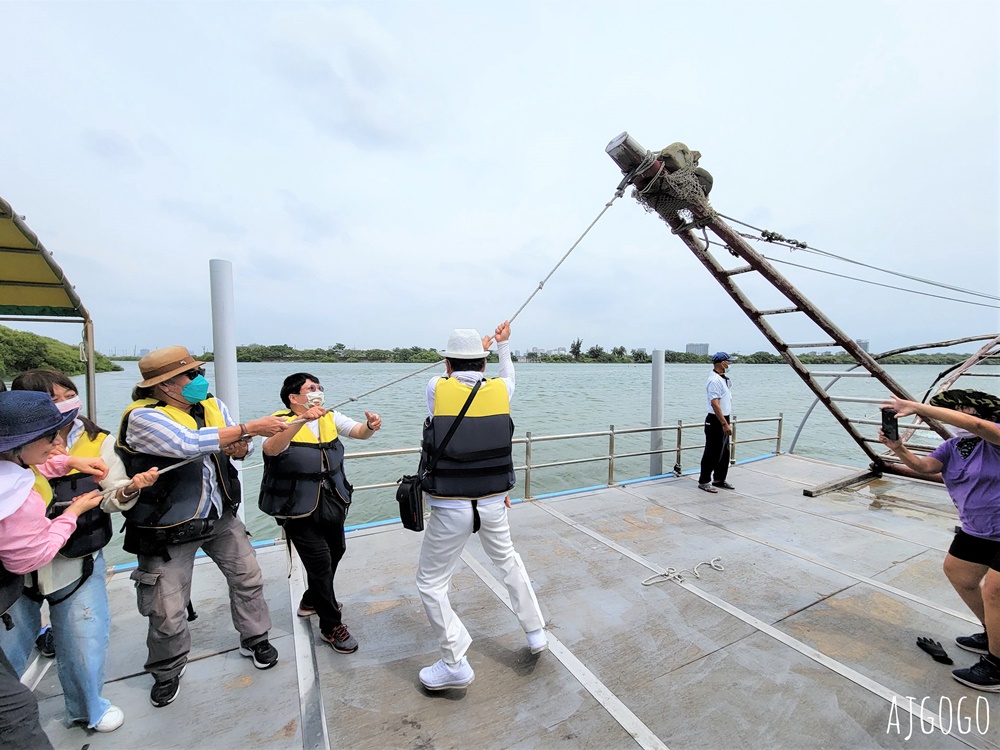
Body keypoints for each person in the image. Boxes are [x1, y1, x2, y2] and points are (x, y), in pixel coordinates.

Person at [114, 346, 289, 708]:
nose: (198, 380)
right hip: (166, 526)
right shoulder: (143, 418)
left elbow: (237, 447)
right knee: (165, 605)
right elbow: (186, 444)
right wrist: (252, 427)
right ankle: (167, 669)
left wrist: (242, 446)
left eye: (199, 372)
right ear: (164, 386)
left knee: (248, 578)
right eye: (190, 375)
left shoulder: (212, 405)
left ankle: (255, 638)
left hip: (220, 515)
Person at [1, 370, 158, 734]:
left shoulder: (95, 442)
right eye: (52, 401)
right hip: (18, 573)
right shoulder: (20, 470)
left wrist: (127, 489)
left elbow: (114, 494)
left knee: (84, 641)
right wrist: (71, 512)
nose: (66, 405)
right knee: (9, 647)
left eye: (68, 394)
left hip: (77, 562)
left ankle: (88, 707)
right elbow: (25, 554)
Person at [415, 322, 546, 691]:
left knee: (431, 582)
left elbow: (448, 387)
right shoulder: (501, 389)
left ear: (447, 364)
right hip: (493, 500)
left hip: (451, 504)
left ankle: (455, 660)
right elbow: (507, 375)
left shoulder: (434, 388)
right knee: (508, 562)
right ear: (484, 364)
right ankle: (535, 631)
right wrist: (502, 346)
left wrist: (484, 351)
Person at [0, 390, 106, 749]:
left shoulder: (11, 463)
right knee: (17, 713)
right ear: (21, 443)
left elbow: (34, 464)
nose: (57, 441)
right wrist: (71, 515)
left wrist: (70, 462)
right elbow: (28, 558)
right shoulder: (15, 498)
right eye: (50, 436)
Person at [879, 390, 1000, 692]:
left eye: (963, 409)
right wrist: (899, 448)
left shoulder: (995, 439)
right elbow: (924, 467)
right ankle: (992, 633)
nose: (957, 413)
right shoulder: (952, 446)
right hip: (978, 529)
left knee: (995, 591)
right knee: (958, 574)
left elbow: (982, 429)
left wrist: (917, 407)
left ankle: (998, 668)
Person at [259, 374, 381, 654]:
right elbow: (271, 448)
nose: (318, 392)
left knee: (336, 550)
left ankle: (312, 599)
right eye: (310, 389)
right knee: (320, 564)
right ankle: (330, 626)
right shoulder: (278, 421)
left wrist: (371, 426)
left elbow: (358, 431)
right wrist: (301, 419)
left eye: (319, 387)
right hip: (297, 508)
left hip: (331, 500)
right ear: (294, 397)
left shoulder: (330, 416)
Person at [698, 352, 737, 493]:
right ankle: (704, 481)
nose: (730, 364)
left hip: (724, 417)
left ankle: (719, 479)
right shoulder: (714, 380)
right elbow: (714, 403)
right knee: (712, 452)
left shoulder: (722, 379)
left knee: (724, 451)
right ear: (722, 363)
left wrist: (726, 421)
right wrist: (724, 424)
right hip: (715, 420)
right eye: (728, 362)